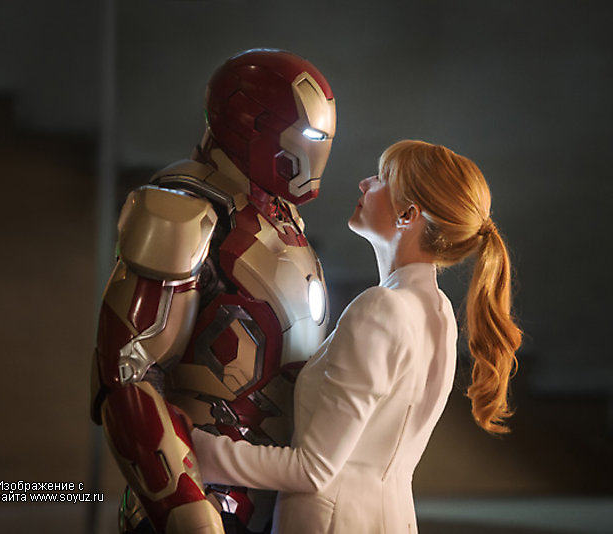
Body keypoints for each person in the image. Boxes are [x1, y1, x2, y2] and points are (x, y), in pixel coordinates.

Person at [190, 139, 523, 533]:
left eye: (381, 178)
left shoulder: (381, 308)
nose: (365, 183)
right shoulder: (439, 312)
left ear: (408, 215)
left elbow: (312, 469)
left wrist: (192, 446)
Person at [90, 49, 336, 534]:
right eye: (309, 137)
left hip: (278, 504)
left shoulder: (284, 226)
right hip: (199, 498)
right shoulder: (180, 214)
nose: (317, 152)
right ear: (254, 125)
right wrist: (180, 502)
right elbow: (128, 371)